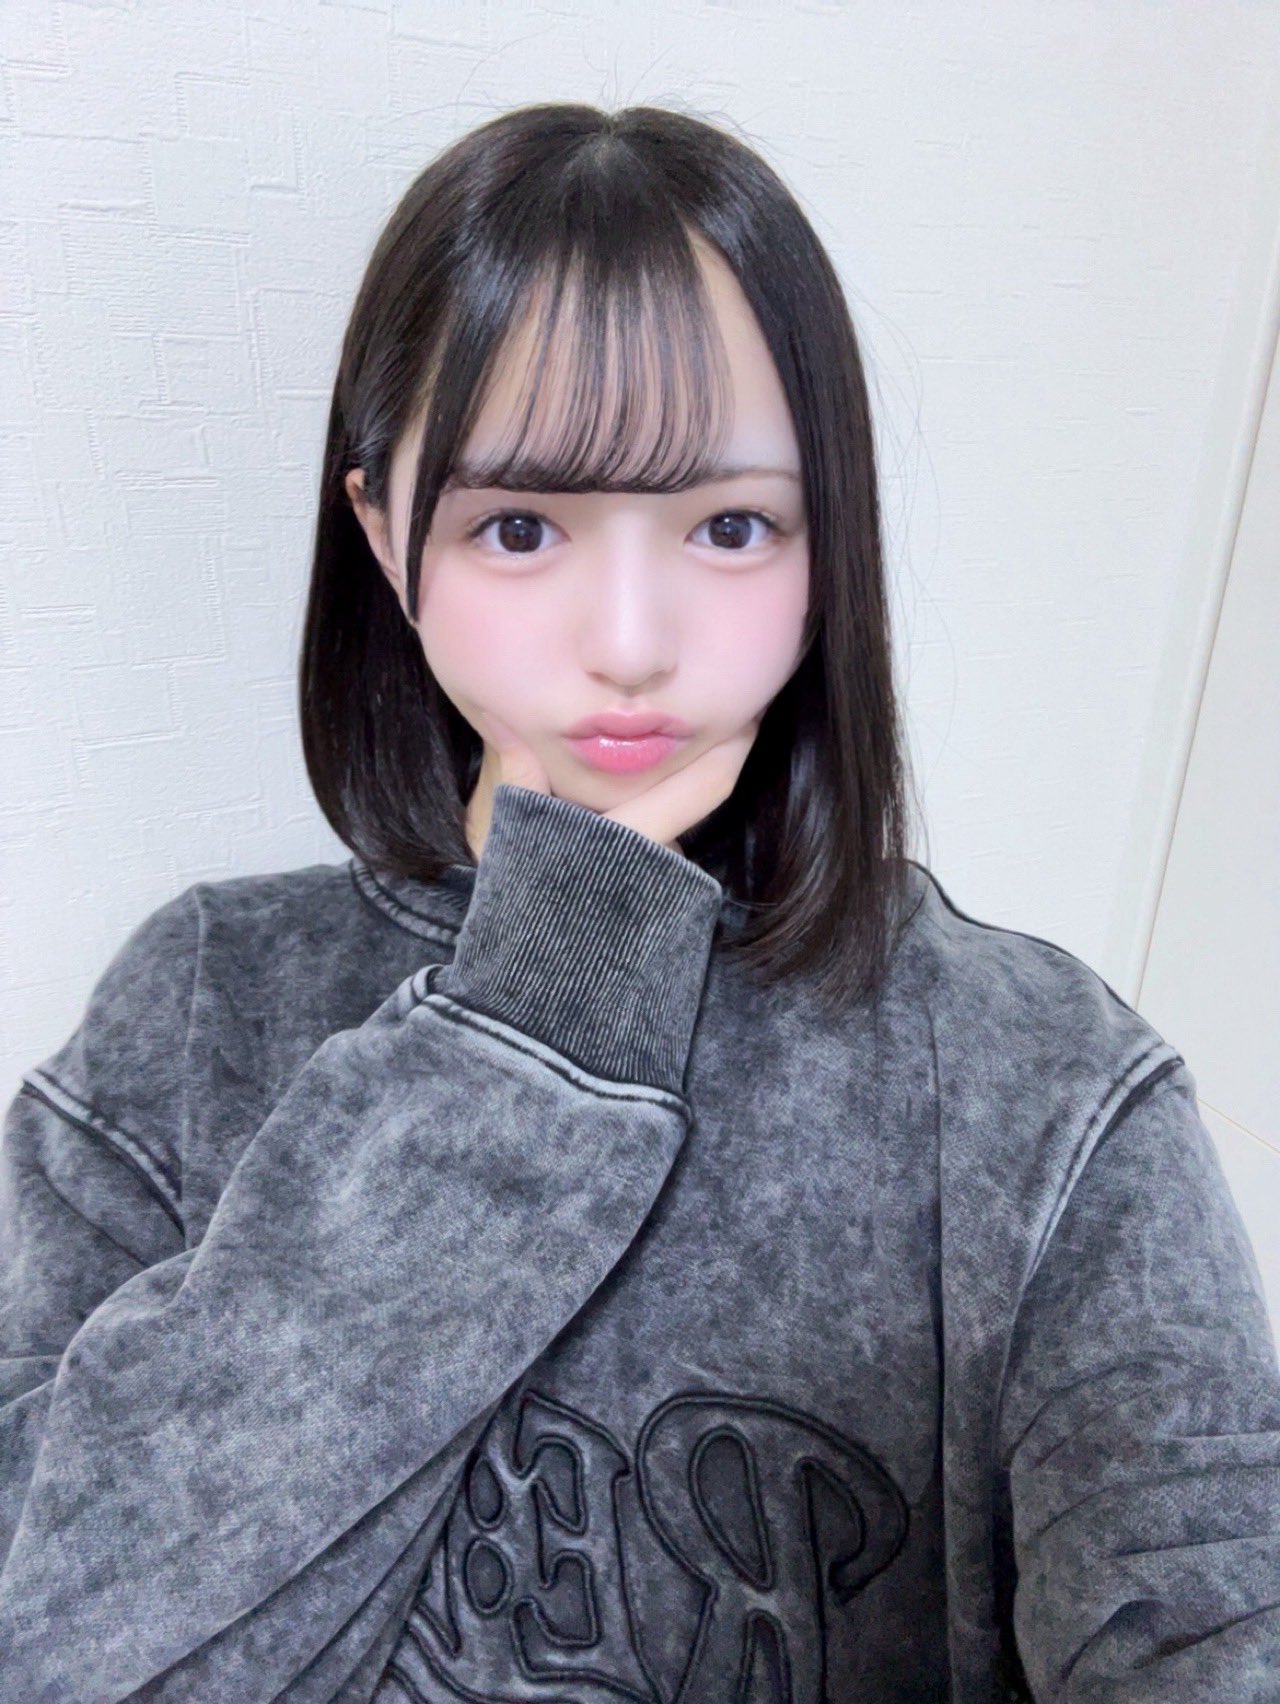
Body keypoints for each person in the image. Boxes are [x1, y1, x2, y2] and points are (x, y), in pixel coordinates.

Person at [1, 101, 1277, 1703]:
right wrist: (546, 989)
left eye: (730, 527)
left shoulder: (1038, 1083)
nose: (628, 640)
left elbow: (1209, 1618)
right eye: (519, 527)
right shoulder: (204, 1004)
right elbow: (48, 1630)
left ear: (828, 542)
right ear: (386, 536)